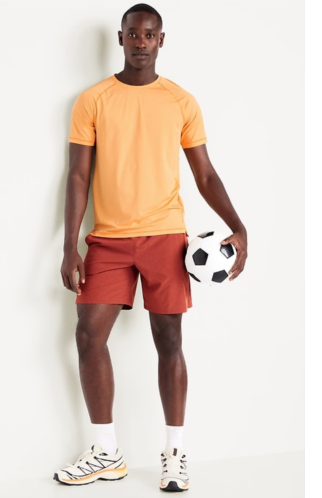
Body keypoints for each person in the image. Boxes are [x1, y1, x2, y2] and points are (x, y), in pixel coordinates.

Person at [54, 3, 248, 492]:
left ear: (162, 40)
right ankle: (106, 452)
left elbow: (205, 174)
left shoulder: (181, 101)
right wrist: (70, 245)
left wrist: (238, 226)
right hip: (108, 240)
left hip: (166, 237)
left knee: (170, 341)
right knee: (88, 334)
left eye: (149, 34)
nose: (140, 42)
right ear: (120, 38)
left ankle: (175, 453)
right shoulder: (93, 100)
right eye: (133, 34)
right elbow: (78, 176)